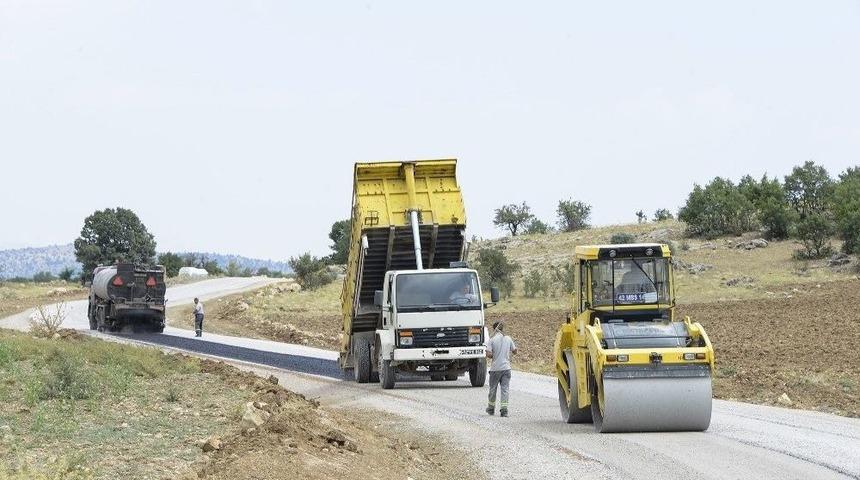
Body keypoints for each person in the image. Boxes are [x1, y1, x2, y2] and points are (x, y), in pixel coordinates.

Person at [485, 320, 517, 417]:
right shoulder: (508, 338)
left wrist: (493, 354)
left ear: (494, 329)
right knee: (505, 389)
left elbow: (488, 354)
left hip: (495, 369)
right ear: (502, 328)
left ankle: (491, 409)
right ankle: (504, 410)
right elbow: (515, 351)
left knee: (493, 389)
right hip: (506, 369)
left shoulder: (492, 340)